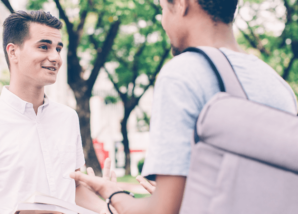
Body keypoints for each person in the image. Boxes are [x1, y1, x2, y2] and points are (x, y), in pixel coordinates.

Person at [70, 0, 298, 213]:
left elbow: (163, 211)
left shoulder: (182, 73)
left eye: (162, 10)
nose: (163, 22)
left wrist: (112, 193)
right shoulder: (277, 84)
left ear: (180, 5)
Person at [0, 11, 113, 214]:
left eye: (58, 48)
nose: (55, 57)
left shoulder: (68, 118)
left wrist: (111, 207)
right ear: (13, 52)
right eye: (43, 47)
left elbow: (74, 187)